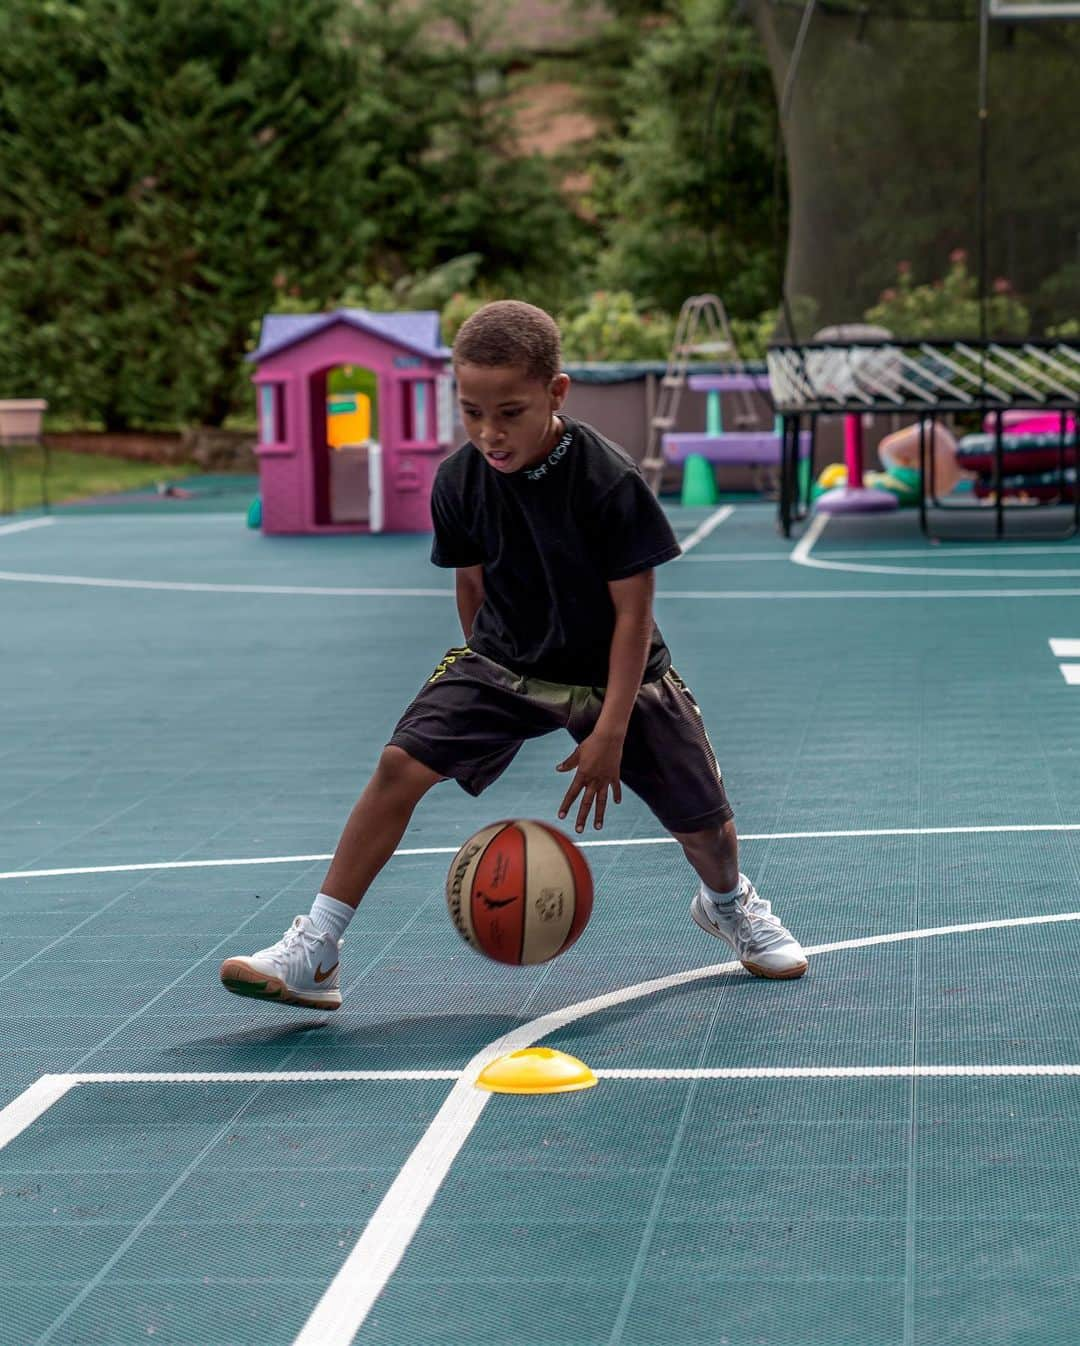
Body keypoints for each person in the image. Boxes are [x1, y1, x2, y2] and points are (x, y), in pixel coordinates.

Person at [219, 301, 807, 1010]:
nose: (490, 433)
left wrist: (610, 732)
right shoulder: (459, 482)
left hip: (615, 672)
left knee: (707, 830)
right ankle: (316, 949)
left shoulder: (608, 482)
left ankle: (727, 903)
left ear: (556, 394)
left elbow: (633, 617)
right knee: (398, 765)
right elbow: (472, 587)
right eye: (472, 412)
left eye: (510, 412)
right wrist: (485, 695)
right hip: (507, 660)